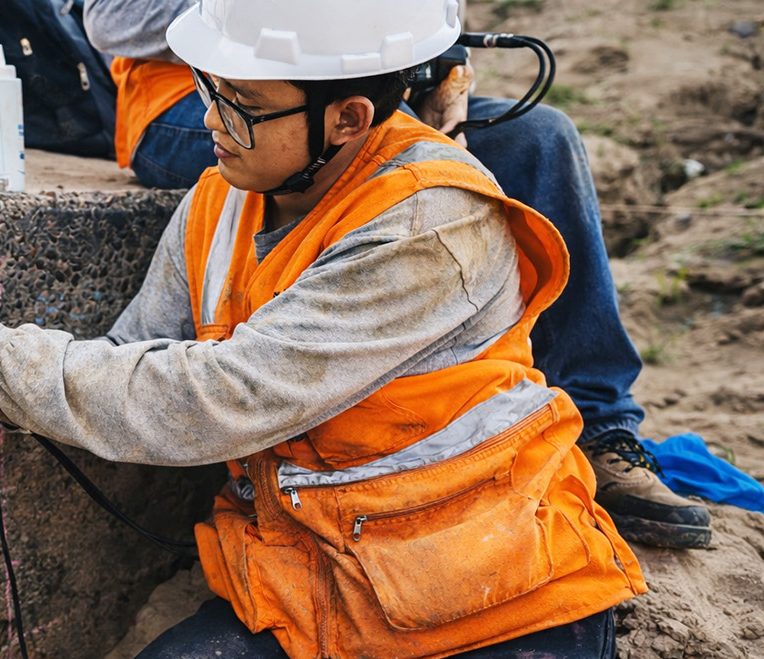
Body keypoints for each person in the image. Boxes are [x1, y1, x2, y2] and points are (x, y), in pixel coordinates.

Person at [0, 2, 648, 659]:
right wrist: (1, 392)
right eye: (209, 89)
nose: (207, 119)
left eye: (241, 101)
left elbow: (221, 396)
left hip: (494, 599)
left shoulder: (436, 220)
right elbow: (137, 360)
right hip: (318, 582)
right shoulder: (221, 200)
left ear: (347, 118)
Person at [83, 0, 713, 550]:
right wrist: (293, 21)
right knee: (267, 145)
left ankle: (603, 426)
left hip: (343, 96)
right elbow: (109, 19)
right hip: (199, 98)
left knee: (540, 136)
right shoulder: (222, 115)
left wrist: (422, 73)